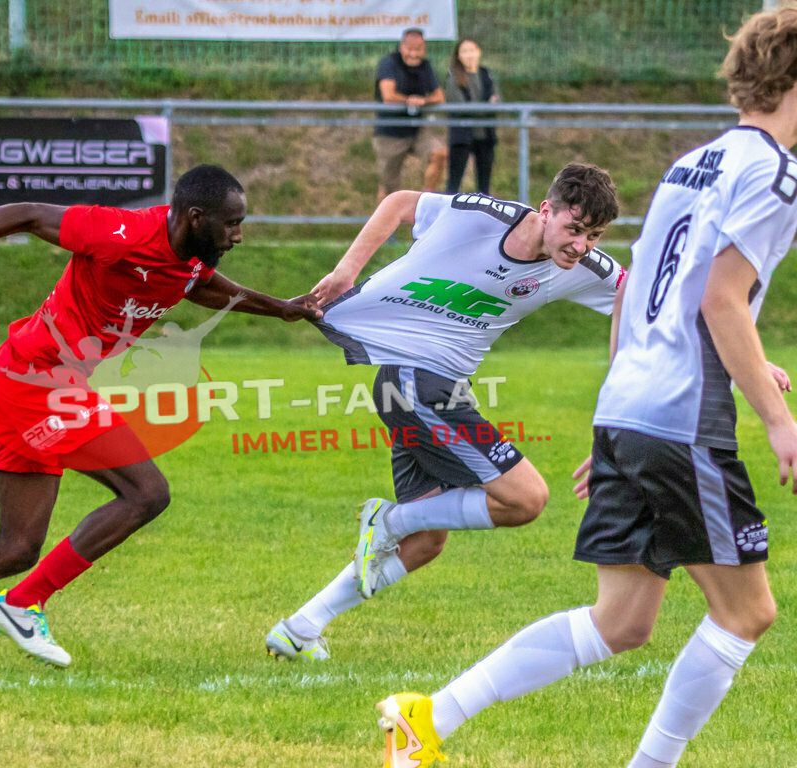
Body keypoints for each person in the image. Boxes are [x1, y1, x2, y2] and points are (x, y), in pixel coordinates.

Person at [371, 7, 797, 768]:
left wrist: (660, 398)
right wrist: (777, 420)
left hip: (634, 405)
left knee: (623, 621)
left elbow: (645, 295)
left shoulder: (690, 162)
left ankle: (429, 715)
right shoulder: (775, 172)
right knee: (747, 611)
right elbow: (718, 300)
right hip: (682, 414)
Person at [0, 164, 321, 670]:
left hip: (29, 380)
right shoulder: (120, 233)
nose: (238, 235)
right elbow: (27, 213)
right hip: (36, 383)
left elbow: (199, 285)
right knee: (146, 493)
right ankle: (23, 604)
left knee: (16, 547)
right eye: (232, 223)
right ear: (195, 217)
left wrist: (280, 308)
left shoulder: (192, 256)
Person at [265, 163, 625, 661]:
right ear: (547, 211)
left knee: (428, 538)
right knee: (526, 500)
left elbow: (653, 298)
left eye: (594, 236)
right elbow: (398, 203)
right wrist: (346, 272)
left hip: (434, 389)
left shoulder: (584, 267)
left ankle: (301, 627)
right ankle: (387, 523)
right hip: (416, 383)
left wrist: (745, 353)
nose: (581, 246)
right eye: (575, 229)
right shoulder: (482, 217)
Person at [373, 28, 448, 206]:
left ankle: (425, 205)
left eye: (418, 49)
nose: (414, 54)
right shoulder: (389, 63)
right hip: (390, 132)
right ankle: (385, 232)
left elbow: (439, 97)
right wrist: (409, 100)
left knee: (439, 153)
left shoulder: (426, 66)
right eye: (410, 49)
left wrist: (423, 100)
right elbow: (388, 96)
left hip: (417, 130)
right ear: (401, 47)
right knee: (388, 188)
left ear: (424, 49)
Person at [445, 39, 500, 194]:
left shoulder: (486, 74)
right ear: (458, 55)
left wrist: (483, 107)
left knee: (484, 186)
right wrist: (486, 106)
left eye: (472, 50)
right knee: (453, 185)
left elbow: (498, 101)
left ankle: (482, 216)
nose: (469, 55)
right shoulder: (453, 76)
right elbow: (459, 105)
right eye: (464, 51)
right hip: (462, 136)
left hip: (485, 135)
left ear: (479, 51)